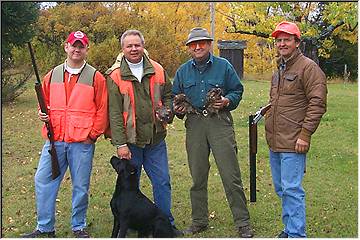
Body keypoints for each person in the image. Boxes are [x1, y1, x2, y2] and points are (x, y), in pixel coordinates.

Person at [21, 31, 109, 238]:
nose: (77, 49)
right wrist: (42, 114)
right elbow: (45, 104)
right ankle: (45, 227)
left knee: (80, 186)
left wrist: (92, 135)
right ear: (66, 47)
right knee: (42, 180)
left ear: (86, 49)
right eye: (73, 45)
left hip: (82, 142)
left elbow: (103, 109)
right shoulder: (52, 75)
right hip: (55, 140)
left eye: (81, 46)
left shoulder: (96, 77)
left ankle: (78, 225)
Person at [172, 27, 254, 238]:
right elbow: (175, 99)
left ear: (209, 44)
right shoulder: (182, 72)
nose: (198, 47)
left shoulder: (223, 66)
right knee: (197, 175)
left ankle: (243, 222)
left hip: (219, 122)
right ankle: (199, 221)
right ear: (189, 48)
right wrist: (178, 109)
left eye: (202, 43)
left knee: (230, 174)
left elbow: (237, 90)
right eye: (193, 44)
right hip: (195, 124)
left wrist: (227, 100)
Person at [105, 29, 182, 237]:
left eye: (137, 45)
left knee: (162, 181)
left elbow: (169, 95)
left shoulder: (157, 69)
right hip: (131, 142)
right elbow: (114, 113)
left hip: (155, 140)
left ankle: (166, 223)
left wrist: (167, 111)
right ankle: (132, 222)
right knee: (131, 186)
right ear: (123, 49)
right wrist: (120, 144)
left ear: (143, 46)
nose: (133, 49)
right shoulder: (114, 76)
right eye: (129, 46)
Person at [265, 21, 327, 238]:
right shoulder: (279, 69)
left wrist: (305, 135)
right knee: (282, 189)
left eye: (287, 39)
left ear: (297, 42)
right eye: (279, 40)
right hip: (275, 141)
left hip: (294, 142)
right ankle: (288, 230)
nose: (282, 44)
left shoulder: (308, 68)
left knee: (292, 190)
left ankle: (297, 235)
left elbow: (317, 103)